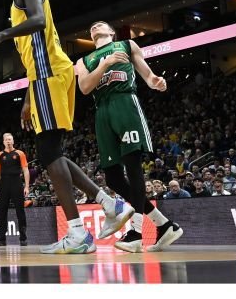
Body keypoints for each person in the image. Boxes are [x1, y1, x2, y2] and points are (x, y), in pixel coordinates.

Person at [0, 0, 132, 254]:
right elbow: (32, 57)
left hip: (51, 75)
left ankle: (79, 233)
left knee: (48, 152)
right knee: (52, 152)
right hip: (42, 79)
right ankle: (109, 205)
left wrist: (0, 35)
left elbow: (39, 21)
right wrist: (28, 97)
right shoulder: (16, 4)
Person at [75, 20, 183, 253]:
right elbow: (84, 87)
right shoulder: (83, 60)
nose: (95, 27)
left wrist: (156, 82)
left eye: (100, 25)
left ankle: (136, 233)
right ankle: (164, 225)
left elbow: (148, 75)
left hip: (124, 103)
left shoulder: (127, 45)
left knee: (133, 167)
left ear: (111, 32)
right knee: (113, 179)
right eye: (92, 27)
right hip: (102, 111)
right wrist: (105, 64)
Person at [0, 133, 29, 247]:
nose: (8, 141)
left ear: (13, 141)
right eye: (6, 140)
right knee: (2, 212)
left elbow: (25, 170)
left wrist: (27, 186)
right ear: (3, 142)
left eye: (10, 139)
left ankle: (23, 238)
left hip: (16, 183)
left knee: (20, 211)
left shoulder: (20, 153)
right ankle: (2, 239)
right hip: (4, 184)